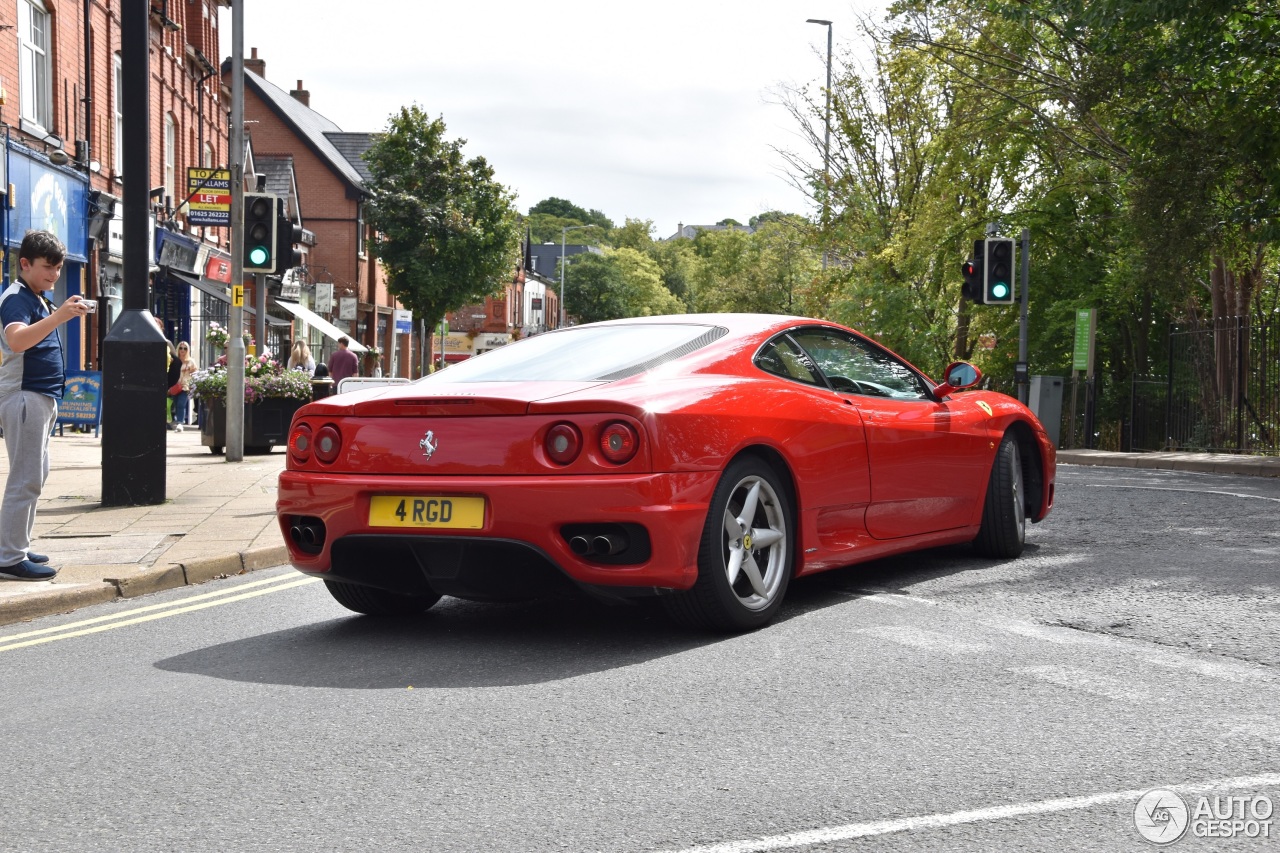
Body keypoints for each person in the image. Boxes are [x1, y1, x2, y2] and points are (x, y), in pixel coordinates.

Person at [0, 230, 92, 581]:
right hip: (24, 396)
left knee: (35, 475)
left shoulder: (34, 296)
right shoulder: (16, 297)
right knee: (25, 479)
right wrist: (59, 317)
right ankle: (9, 558)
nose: (54, 274)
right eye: (47, 268)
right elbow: (16, 339)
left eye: (58, 268)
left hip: (38, 397)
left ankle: (15, 545)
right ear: (24, 264)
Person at [172, 341, 197, 430]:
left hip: (185, 386)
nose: (182, 350)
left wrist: (192, 385)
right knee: (175, 404)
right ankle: (177, 420)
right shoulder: (173, 360)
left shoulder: (191, 361)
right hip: (175, 386)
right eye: (181, 348)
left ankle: (180, 423)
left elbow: (195, 374)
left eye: (185, 348)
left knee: (181, 404)